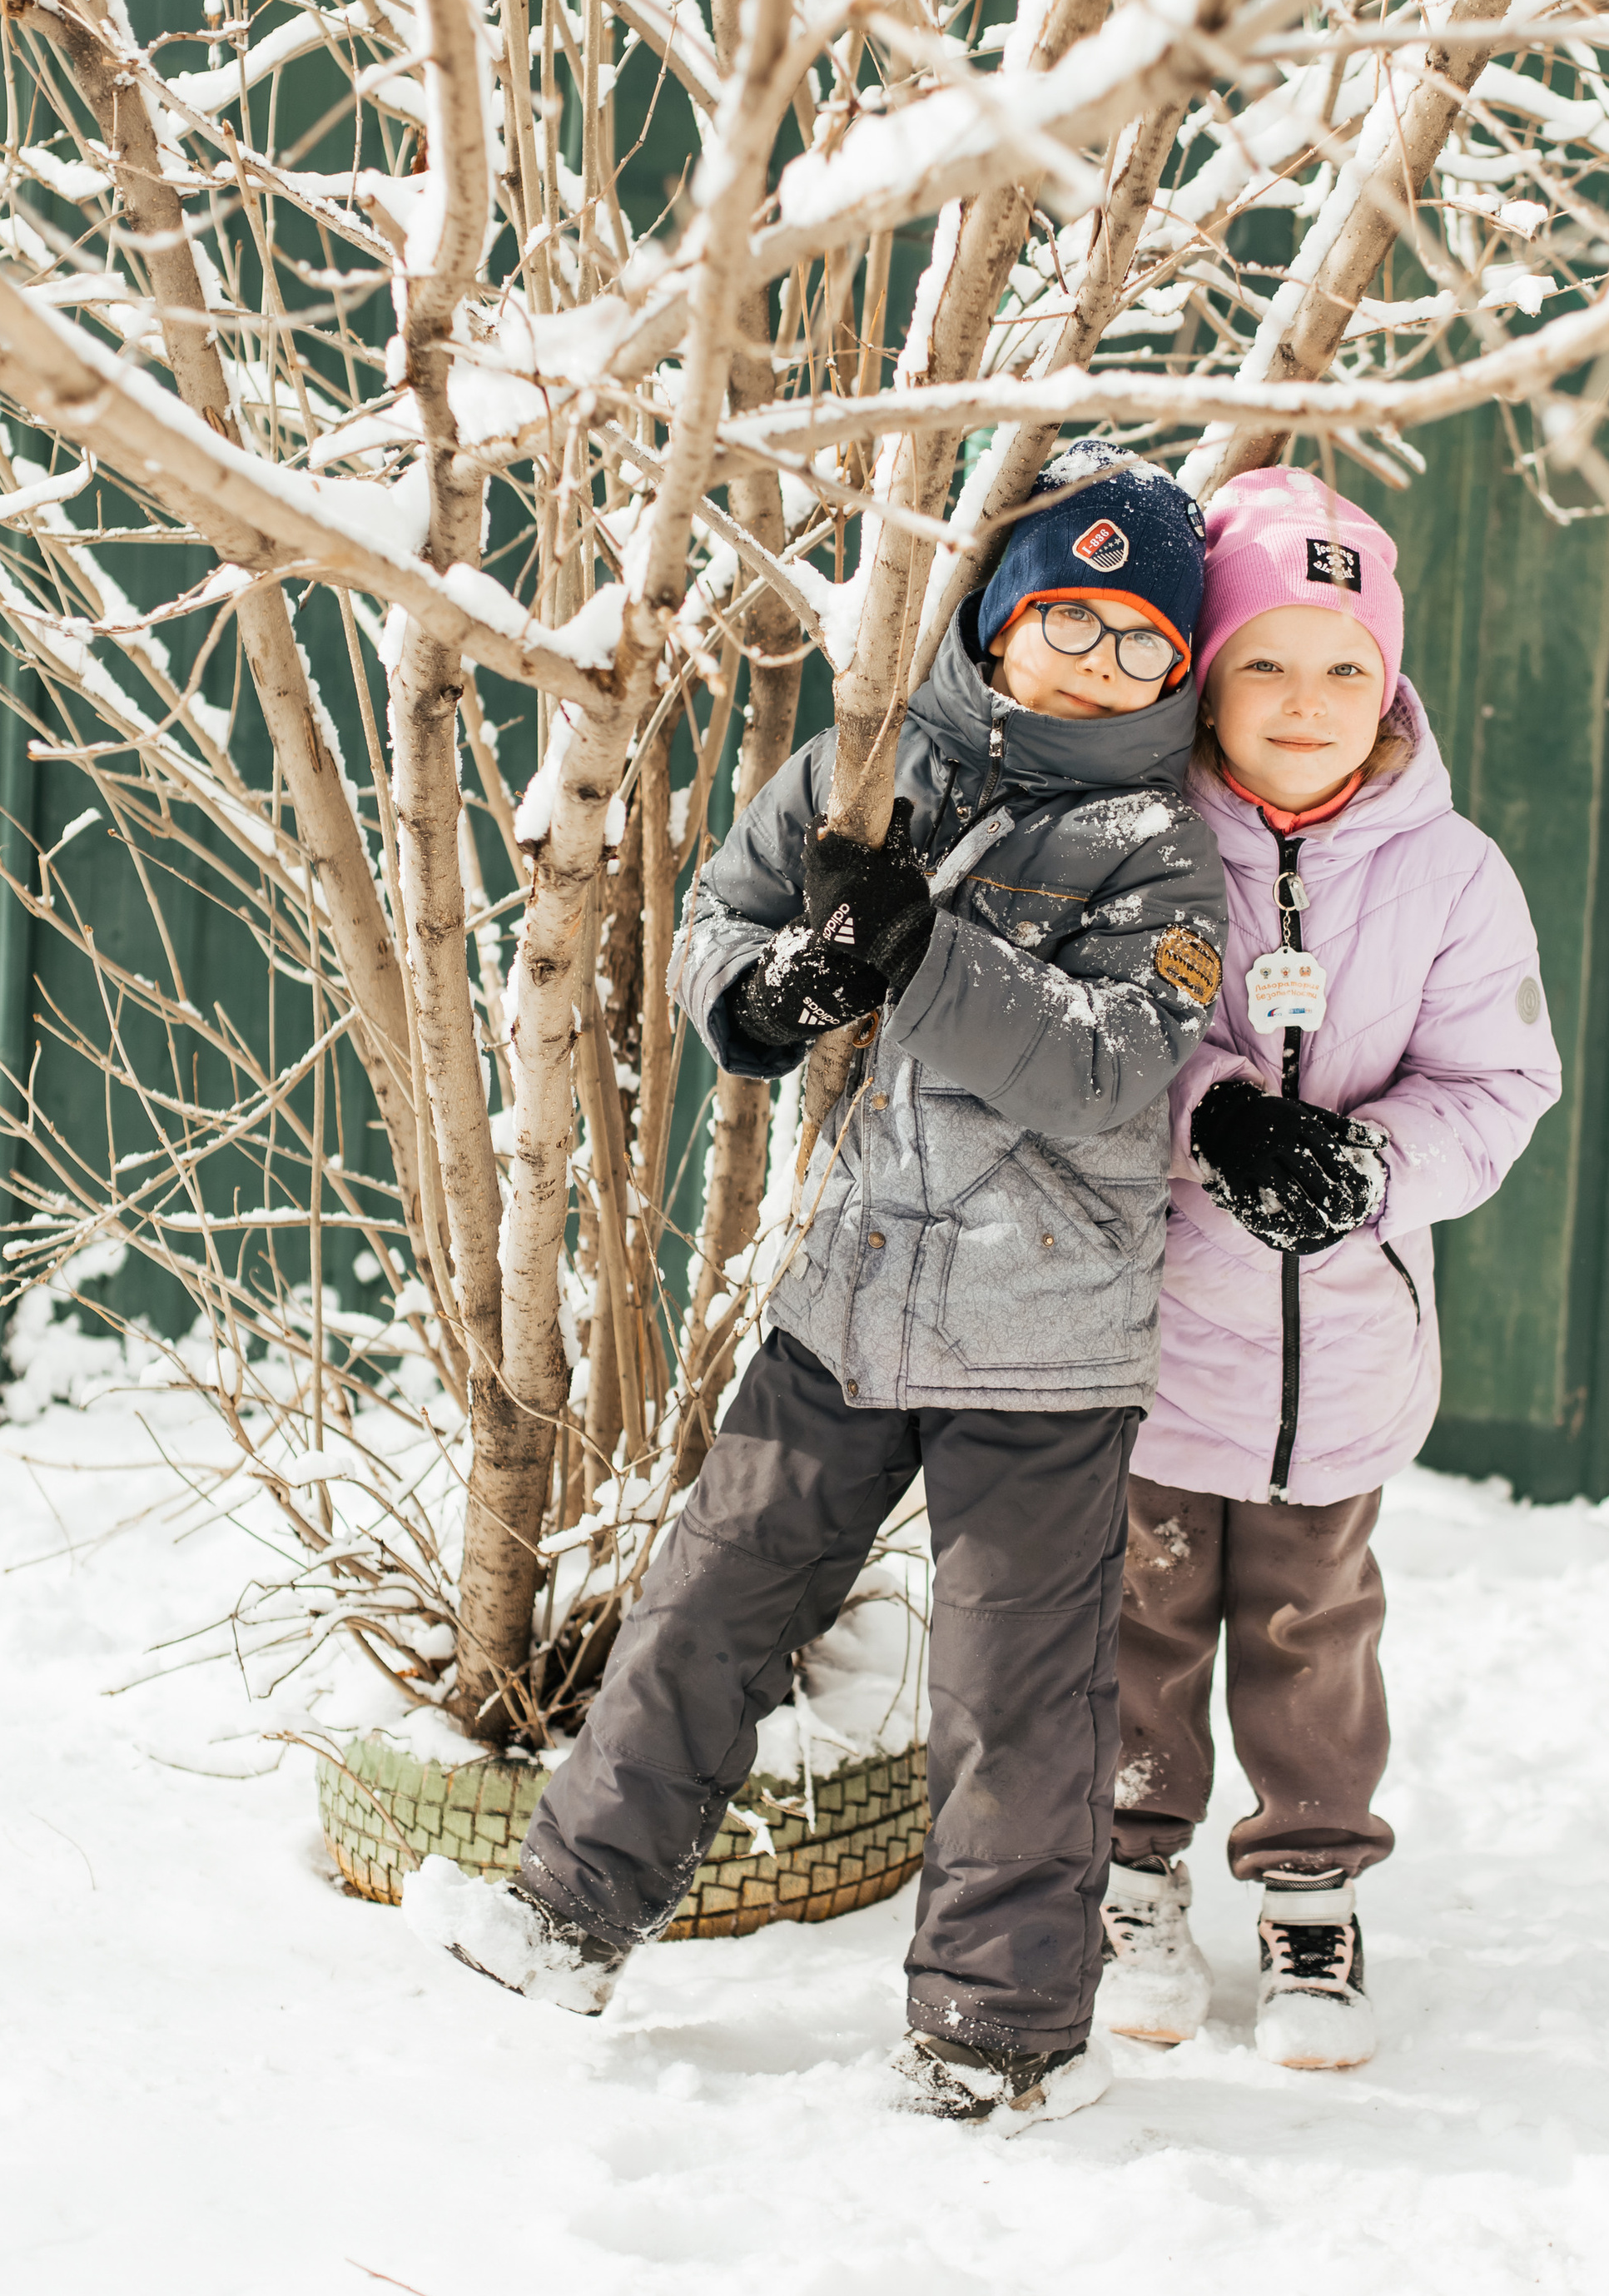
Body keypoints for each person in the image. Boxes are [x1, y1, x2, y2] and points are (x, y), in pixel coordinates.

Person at [410, 447, 1227, 2126]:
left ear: (1176, 670)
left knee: (1015, 1694)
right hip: (847, 1305)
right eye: (1058, 615)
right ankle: (569, 1912)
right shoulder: (879, 764)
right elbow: (726, 909)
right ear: (994, 618)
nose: (1089, 657)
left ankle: (992, 2029)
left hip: (1045, 1344)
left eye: (1135, 638)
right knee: (710, 1608)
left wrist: (921, 960)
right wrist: (775, 993)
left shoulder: (1159, 853)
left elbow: (1098, 1067)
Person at [1096, 467, 1562, 2070]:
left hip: (1345, 1357)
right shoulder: (1146, 849)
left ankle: (1310, 1885)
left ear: (1392, 684)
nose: (1308, 703)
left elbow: (1502, 1085)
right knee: (1139, 1629)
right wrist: (1218, 1119)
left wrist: (1369, 1169)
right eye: (1267, 666)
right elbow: (1095, 1044)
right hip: (1154, 1351)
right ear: (1209, 680)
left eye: (1344, 666)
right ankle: (1129, 1876)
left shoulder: (1453, 879)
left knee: (1313, 1634)